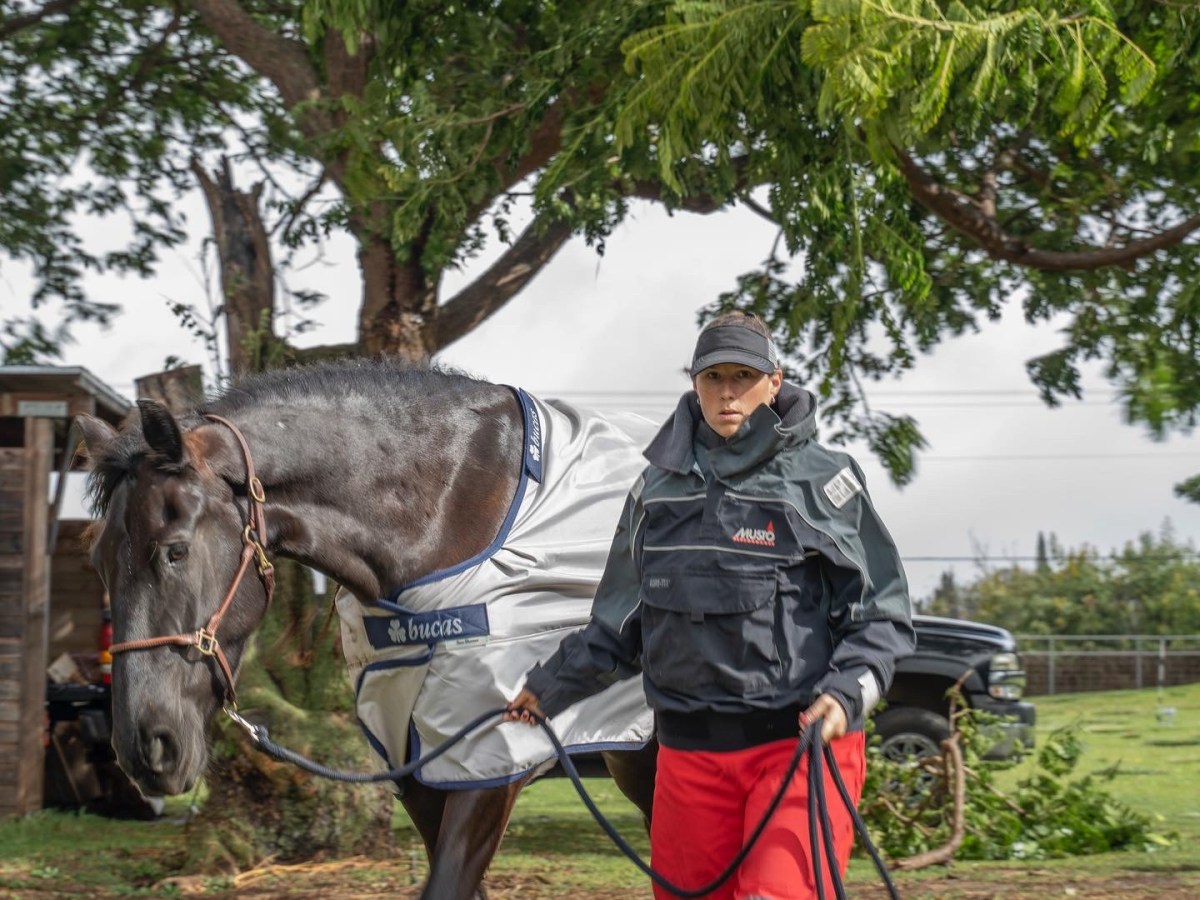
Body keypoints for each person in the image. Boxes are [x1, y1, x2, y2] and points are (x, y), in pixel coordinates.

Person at [506, 311, 915, 900]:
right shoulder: (655, 491)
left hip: (799, 749)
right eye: (713, 376)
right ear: (694, 384)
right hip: (688, 757)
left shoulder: (826, 484)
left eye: (744, 376)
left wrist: (850, 692)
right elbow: (619, 624)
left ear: (774, 382)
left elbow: (881, 615)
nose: (727, 391)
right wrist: (547, 688)